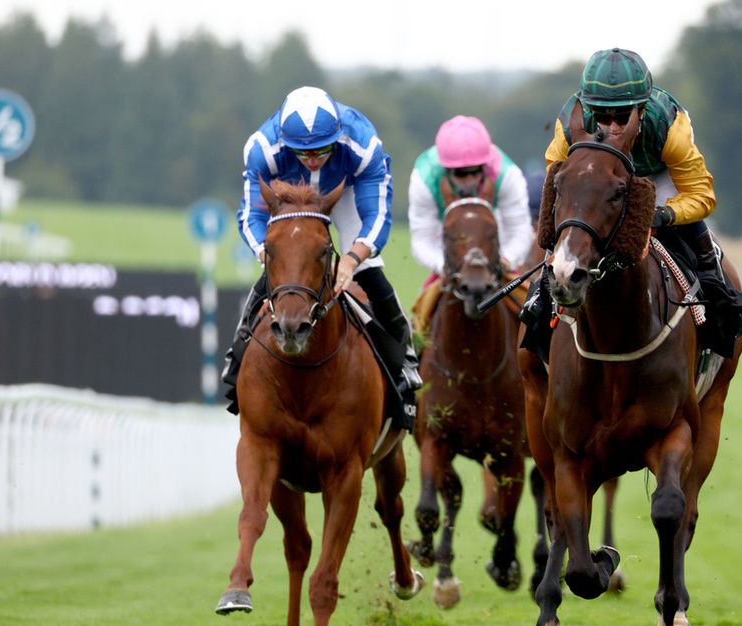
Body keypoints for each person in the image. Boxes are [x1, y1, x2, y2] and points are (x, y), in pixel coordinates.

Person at [523, 47, 742, 359]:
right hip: (597, 185)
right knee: (560, 247)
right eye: (603, 118)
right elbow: (558, 186)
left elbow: (701, 195)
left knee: (700, 250)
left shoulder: (671, 128)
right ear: (590, 110)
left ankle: (717, 301)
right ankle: (539, 305)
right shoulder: (569, 128)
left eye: (622, 117)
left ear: (642, 109)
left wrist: (663, 215)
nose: (613, 128)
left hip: (657, 179)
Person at [223, 85, 420, 427]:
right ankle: (236, 358)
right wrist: (265, 252)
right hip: (287, 200)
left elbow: (376, 216)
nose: (313, 159)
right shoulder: (261, 148)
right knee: (283, 267)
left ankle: (404, 362)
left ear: (338, 138)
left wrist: (352, 258)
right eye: (303, 153)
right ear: (286, 144)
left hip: (345, 194)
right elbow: (250, 215)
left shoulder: (362, 143)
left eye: (322, 150)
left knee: (370, 269)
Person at [408, 115, 533, 280]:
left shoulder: (507, 174)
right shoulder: (424, 178)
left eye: (475, 172)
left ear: (485, 166)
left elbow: (519, 230)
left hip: (494, 248)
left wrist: (505, 260)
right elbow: (422, 240)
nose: (469, 182)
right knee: (422, 303)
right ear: (446, 170)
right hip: (449, 254)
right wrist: (444, 266)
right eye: (460, 174)